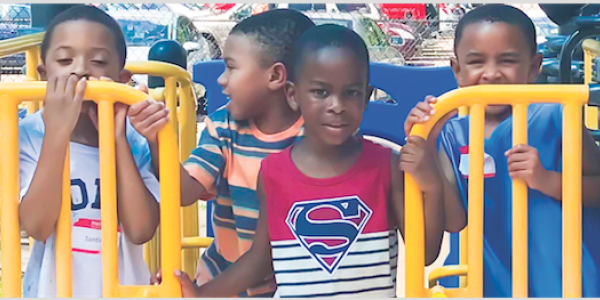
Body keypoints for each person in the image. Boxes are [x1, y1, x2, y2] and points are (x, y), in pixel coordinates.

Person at [172, 24, 450, 298]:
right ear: (293, 95)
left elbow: (424, 253)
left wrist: (433, 186)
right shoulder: (273, 173)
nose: (337, 105)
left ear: (366, 97)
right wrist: (201, 294)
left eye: (351, 92)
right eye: (320, 92)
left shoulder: (386, 165)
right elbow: (260, 259)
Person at [405, 4, 600, 297]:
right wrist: (427, 146)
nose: (492, 74)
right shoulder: (451, 131)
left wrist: (547, 180)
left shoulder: (557, 116)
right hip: (491, 282)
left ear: (533, 67)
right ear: (457, 70)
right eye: (477, 62)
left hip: (565, 282)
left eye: (507, 61)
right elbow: (456, 220)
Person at [128, 9, 316, 297]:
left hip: (293, 284)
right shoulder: (223, 126)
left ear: (276, 75)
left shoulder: (316, 136)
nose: (221, 80)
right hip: (222, 281)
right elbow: (184, 192)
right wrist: (156, 139)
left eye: (231, 67)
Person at [19, 5, 160, 297]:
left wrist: (116, 137)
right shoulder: (29, 134)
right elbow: (37, 226)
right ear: (44, 75)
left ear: (122, 80)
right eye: (65, 59)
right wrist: (57, 133)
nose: (80, 69)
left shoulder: (134, 138)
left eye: (97, 61)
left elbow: (141, 229)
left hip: (124, 290)